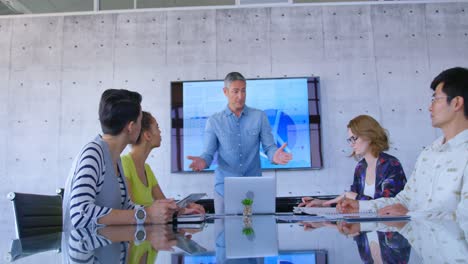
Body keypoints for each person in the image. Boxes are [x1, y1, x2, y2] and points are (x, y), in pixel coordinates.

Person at [338, 67, 468, 219]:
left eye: (436, 99)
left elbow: (464, 217)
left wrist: (410, 215)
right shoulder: (429, 153)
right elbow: (404, 200)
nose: (429, 107)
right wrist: (361, 205)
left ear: (457, 103)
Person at [62, 89, 178, 230]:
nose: (141, 127)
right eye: (140, 121)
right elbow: (80, 215)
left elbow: (126, 208)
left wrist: (166, 211)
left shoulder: (116, 160)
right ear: (131, 126)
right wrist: (146, 214)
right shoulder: (93, 153)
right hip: (86, 248)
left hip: (111, 246)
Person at [187, 72, 293, 213]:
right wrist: (202, 162)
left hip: (253, 188)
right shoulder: (214, 121)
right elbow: (208, 154)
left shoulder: (259, 116)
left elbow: (269, 147)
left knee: (255, 232)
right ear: (225, 92)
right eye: (235, 91)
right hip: (224, 190)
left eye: (243, 91)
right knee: (223, 233)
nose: (240, 96)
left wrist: (275, 156)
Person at [299, 115, 407, 207]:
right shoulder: (361, 167)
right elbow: (350, 201)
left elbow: (389, 207)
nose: (351, 144)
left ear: (369, 135)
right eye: (349, 140)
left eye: (354, 138)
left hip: (388, 230)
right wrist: (322, 203)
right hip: (364, 229)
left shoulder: (391, 165)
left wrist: (352, 196)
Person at [121, 111, 205, 213]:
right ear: (147, 135)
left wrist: (185, 208)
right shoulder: (124, 164)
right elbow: (130, 209)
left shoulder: (146, 168)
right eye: (157, 127)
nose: (160, 132)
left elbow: (164, 203)